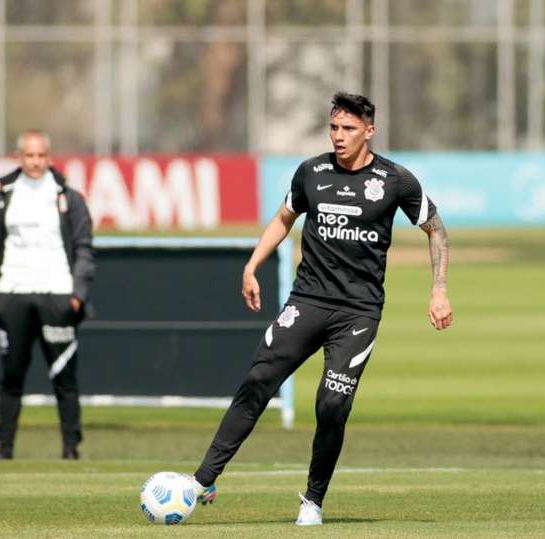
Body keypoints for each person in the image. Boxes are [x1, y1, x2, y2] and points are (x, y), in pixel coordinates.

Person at [189, 92, 453, 525]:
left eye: (348, 129)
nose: (339, 136)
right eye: (333, 127)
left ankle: (312, 500)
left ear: (369, 130)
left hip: (358, 313)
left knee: (331, 405)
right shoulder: (311, 172)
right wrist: (252, 265)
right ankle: (203, 479)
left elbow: (436, 230)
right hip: (307, 302)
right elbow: (283, 219)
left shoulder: (396, 181)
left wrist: (438, 289)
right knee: (258, 381)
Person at [0, 129, 95, 460]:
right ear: (20, 157)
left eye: (41, 155)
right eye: (29, 155)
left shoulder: (67, 197)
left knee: (64, 376)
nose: (35, 161)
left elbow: (85, 248)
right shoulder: (5, 196)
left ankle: (71, 448)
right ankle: (4, 448)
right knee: (12, 375)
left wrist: (77, 295)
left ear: (49, 156)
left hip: (57, 294)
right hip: (13, 293)